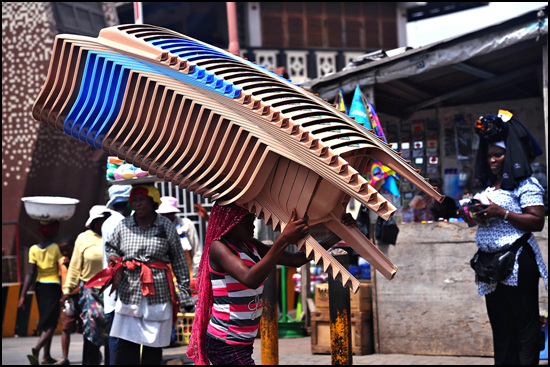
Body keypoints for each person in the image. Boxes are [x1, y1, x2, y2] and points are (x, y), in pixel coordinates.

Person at [186, 202, 356, 365]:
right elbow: (250, 279)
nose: (252, 225)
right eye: (246, 221)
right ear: (231, 222)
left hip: (242, 341)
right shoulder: (219, 248)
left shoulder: (250, 246)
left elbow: (296, 260)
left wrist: (339, 234)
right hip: (225, 341)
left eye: (252, 220)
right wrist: (283, 240)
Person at [469, 112, 548, 365]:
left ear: (510, 155)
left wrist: (501, 211)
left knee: (524, 325)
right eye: (489, 155)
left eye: (498, 155)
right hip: (491, 265)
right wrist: (478, 215)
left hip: (517, 262)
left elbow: (537, 221)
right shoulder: (490, 187)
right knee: (501, 326)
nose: (492, 160)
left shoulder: (526, 185)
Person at [104, 184, 194, 365]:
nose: (137, 204)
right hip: (130, 290)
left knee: (152, 347)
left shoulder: (166, 226)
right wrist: (113, 257)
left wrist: (185, 297)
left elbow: (179, 261)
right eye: (134, 200)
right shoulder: (124, 225)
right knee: (126, 346)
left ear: (153, 201)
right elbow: (110, 246)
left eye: (142, 199)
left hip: (158, 292)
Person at [61, 205, 112, 365]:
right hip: (90, 290)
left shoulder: (113, 234)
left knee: (112, 330)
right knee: (91, 326)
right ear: (96, 222)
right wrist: (67, 290)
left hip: (111, 289)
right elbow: (75, 266)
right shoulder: (84, 238)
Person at [18, 220, 63, 365]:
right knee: (51, 323)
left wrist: (23, 295)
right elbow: (62, 271)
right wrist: (65, 291)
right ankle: (37, 348)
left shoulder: (33, 249)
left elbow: (30, 273)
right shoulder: (56, 248)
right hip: (53, 287)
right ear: (53, 232)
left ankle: (46, 356)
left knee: (45, 321)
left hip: (39, 287)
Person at [101, 185, 132, 365]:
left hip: (112, 286)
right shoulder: (121, 222)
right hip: (120, 286)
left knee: (116, 334)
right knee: (120, 337)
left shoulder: (108, 222)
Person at [157, 196, 201, 277]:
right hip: (164, 275)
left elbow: (196, 251)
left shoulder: (186, 225)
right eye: (163, 214)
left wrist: (196, 273)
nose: (166, 216)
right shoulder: (156, 228)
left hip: (187, 273)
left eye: (169, 213)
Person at [54, 235, 82, 366]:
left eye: (67, 249)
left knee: (86, 328)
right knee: (66, 327)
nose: (65, 253)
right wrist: (62, 294)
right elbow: (63, 279)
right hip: (67, 298)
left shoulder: (81, 259)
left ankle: (92, 353)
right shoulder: (61, 262)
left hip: (81, 296)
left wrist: (71, 264)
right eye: (62, 250)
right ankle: (64, 356)